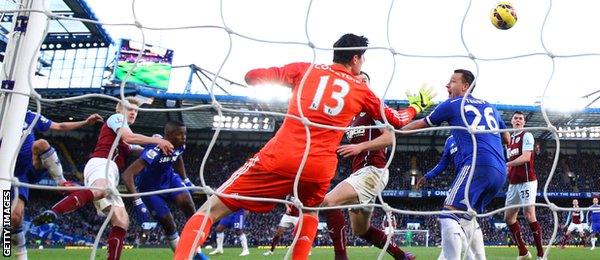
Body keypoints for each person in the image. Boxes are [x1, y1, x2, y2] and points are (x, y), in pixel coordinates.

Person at [174, 33, 433, 260]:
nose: (362, 63)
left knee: (210, 210)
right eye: (362, 59)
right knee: (310, 211)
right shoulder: (362, 91)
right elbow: (398, 121)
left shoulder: (306, 69)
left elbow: (252, 77)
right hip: (318, 168)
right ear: (355, 59)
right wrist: (416, 106)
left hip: (281, 156)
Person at [33, 97, 173, 260]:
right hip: (101, 163)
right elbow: (129, 137)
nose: (133, 113)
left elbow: (141, 151)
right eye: (130, 109)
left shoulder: (126, 141)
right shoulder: (116, 119)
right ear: (120, 109)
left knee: (122, 220)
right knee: (101, 190)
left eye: (136, 111)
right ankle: (54, 211)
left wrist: (158, 149)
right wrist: (157, 140)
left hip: (112, 173)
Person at [402, 69, 510, 260]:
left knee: (448, 215)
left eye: (452, 81)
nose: (447, 85)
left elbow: (420, 124)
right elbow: (507, 138)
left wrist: (394, 132)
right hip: (500, 171)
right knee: (468, 219)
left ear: (465, 86)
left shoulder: (452, 104)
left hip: (477, 165)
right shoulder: (489, 106)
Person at [321, 71, 421, 260]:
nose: (361, 83)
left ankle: (340, 257)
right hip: (359, 175)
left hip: (373, 171)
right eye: (357, 80)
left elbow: (390, 137)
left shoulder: (373, 108)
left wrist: (359, 147)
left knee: (328, 202)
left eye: (365, 80)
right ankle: (401, 256)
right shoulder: (350, 117)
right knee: (361, 230)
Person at [5, 110, 102, 260]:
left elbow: (60, 126)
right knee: (15, 217)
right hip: (9, 175)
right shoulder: (3, 115)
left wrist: (85, 122)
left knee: (41, 144)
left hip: (29, 168)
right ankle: (21, 252)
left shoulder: (29, 115)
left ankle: (62, 182)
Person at [121, 121, 207, 260]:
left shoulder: (180, 146)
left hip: (171, 180)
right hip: (151, 189)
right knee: (168, 222)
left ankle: (197, 251)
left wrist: (185, 179)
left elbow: (178, 158)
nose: (184, 137)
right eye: (180, 134)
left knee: (189, 206)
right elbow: (127, 175)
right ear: (169, 135)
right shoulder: (154, 150)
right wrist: (137, 201)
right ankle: (184, 256)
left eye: (185, 133)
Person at [418, 135, 475, 260]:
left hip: (473, 177)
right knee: (459, 223)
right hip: (460, 179)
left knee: (449, 215)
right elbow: (443, 163)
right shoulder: (449, 140)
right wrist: (427, 176)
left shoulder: (471, 132)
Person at [503, 111, 544, 260]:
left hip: (527, 181)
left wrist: (507, 164)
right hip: (513, 183)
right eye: (516, 118)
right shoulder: (510, 141)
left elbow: (526, 157)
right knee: (508, 218)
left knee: (528, 214)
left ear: (524, 122)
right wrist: (507, 169)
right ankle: (523, 252)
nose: (518, 120)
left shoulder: (527, 135)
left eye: (521, 118)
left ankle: (541, 254)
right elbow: (512, 161)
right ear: (511, 121)